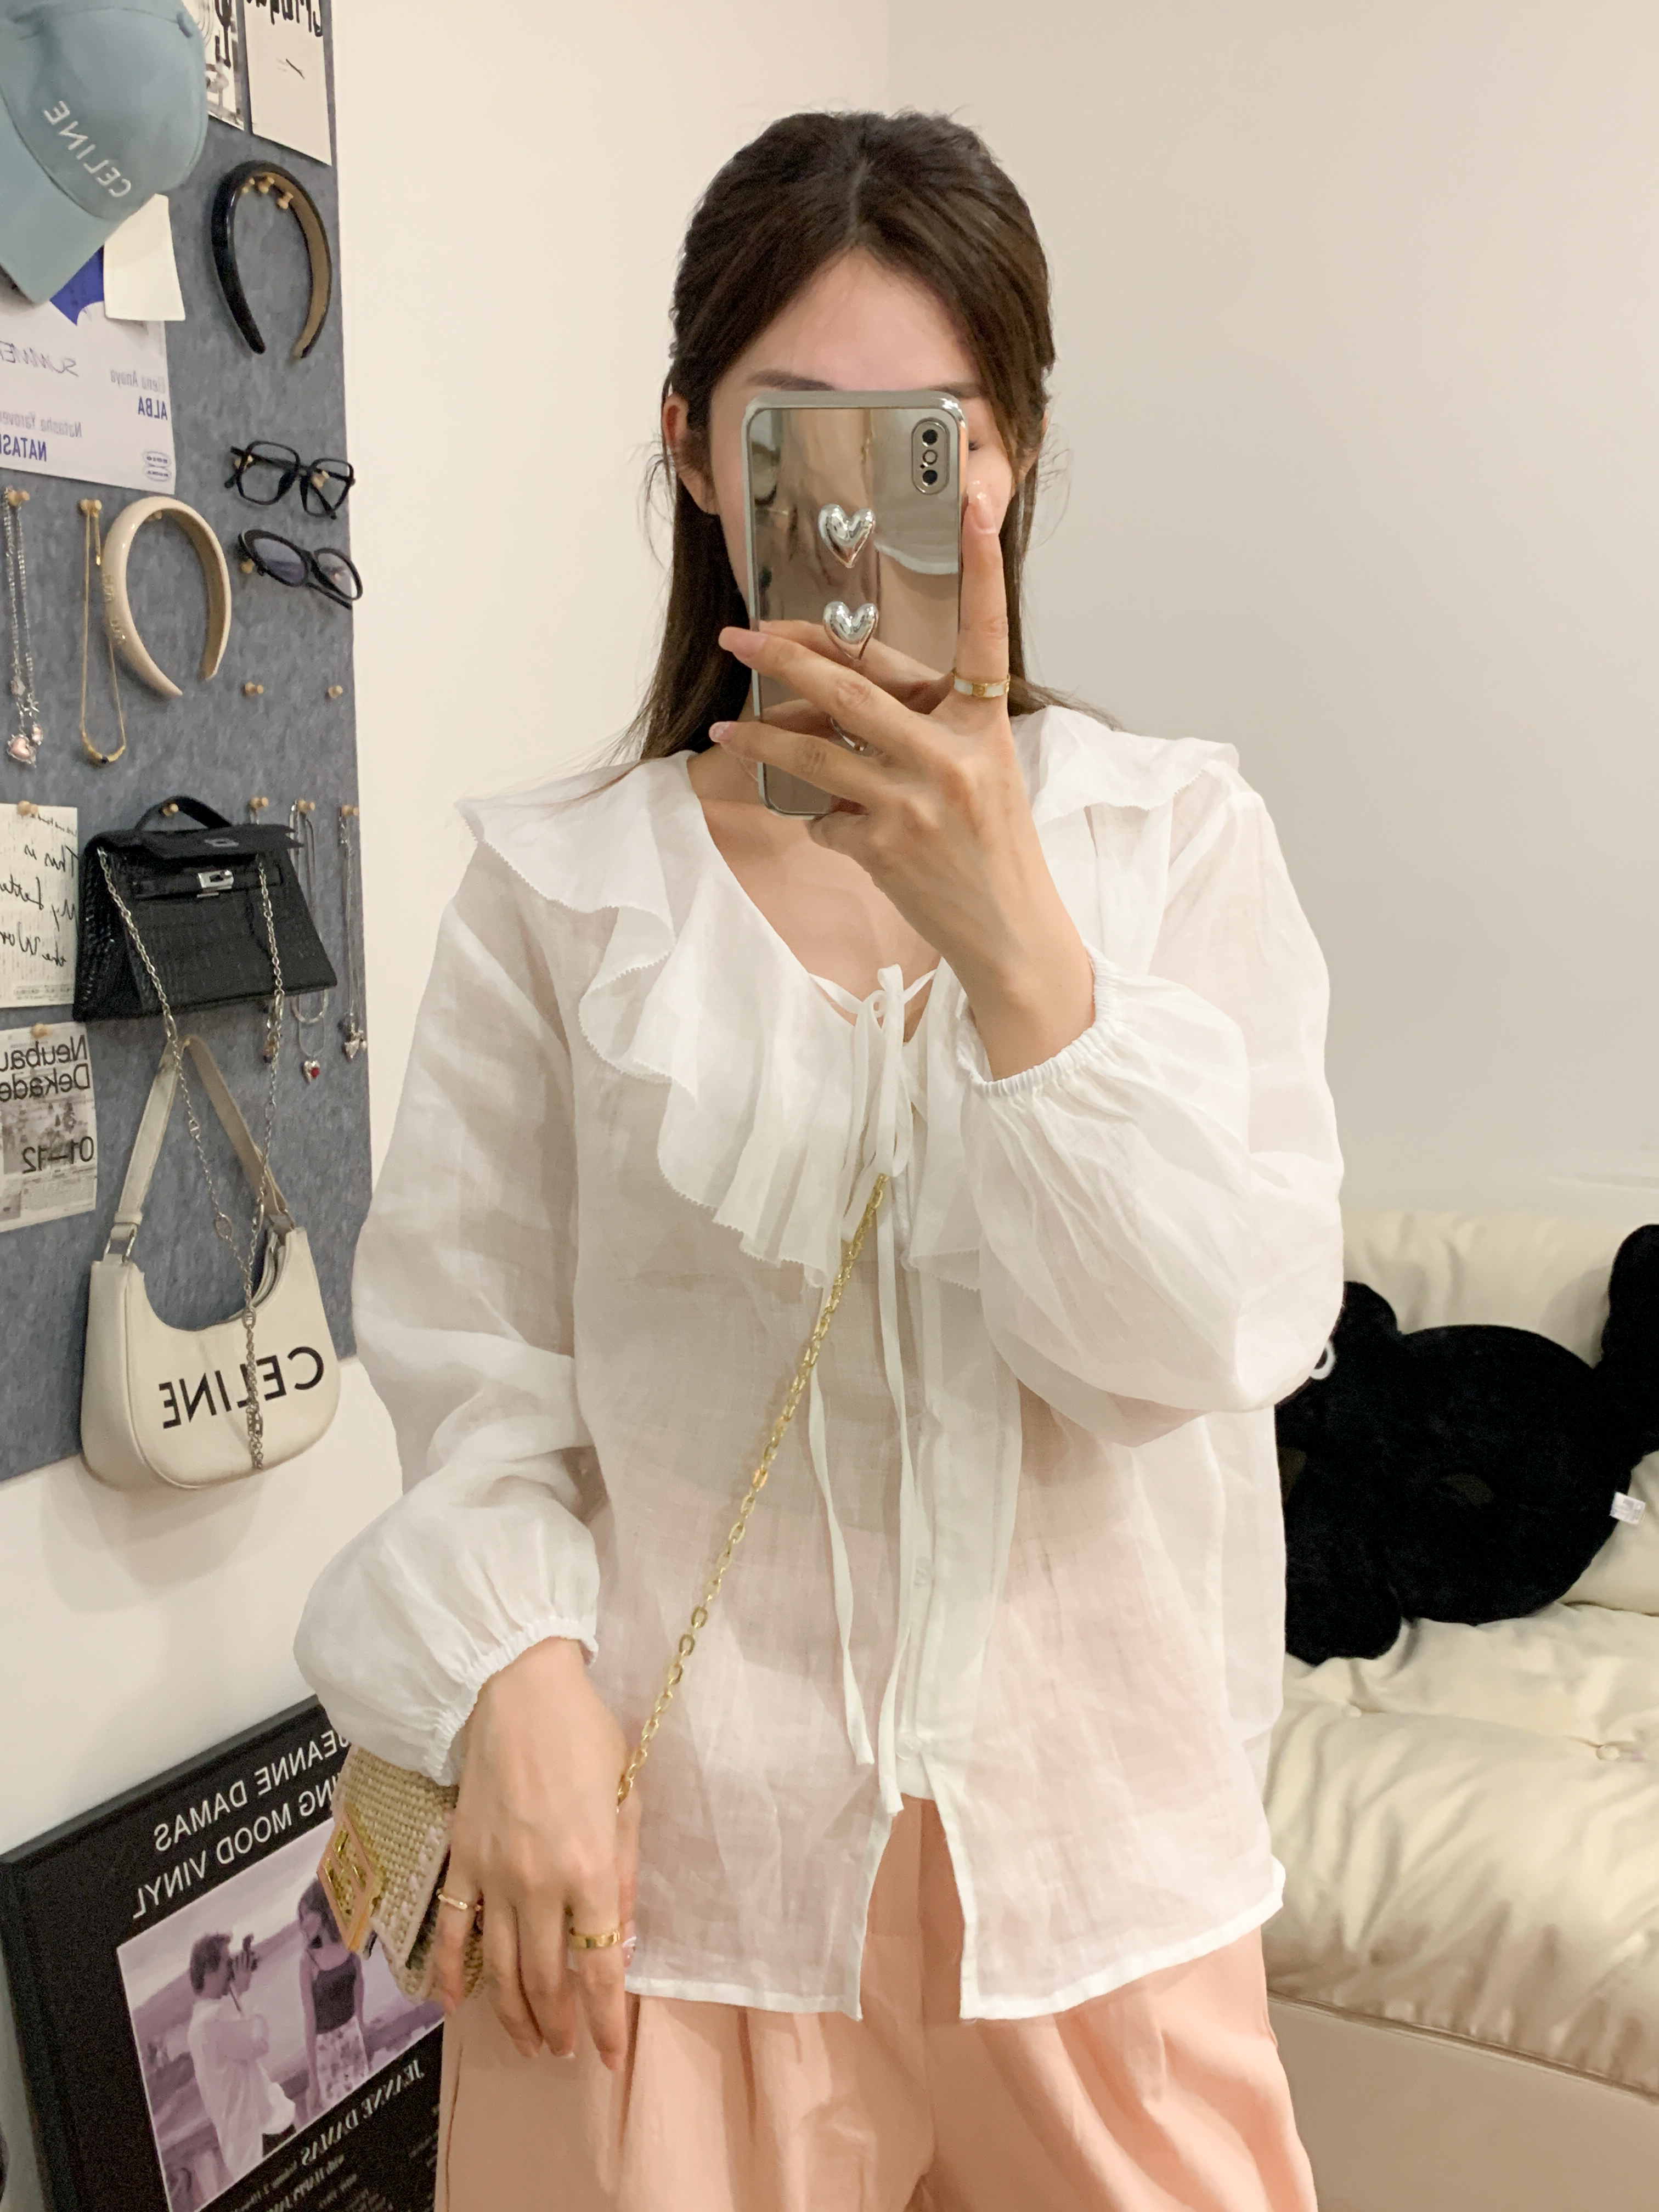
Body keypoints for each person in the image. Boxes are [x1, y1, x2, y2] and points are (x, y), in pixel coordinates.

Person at [296, 109, 1344, 2212]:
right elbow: (472, 1366)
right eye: (796, 430)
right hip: (669, 1894)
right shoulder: (562, 895)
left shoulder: (1165, 845)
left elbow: (1194, 1344)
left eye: (927, 437)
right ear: (693, 451)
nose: (863, 501)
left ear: (1008, 459)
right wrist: (509, 1668)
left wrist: (1011, 938)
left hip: (1094, 1890)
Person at [184, 1933, 295, 2182]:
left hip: (245, 2147)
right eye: (228, 1962)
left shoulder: (198, 2026)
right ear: (209, 1971)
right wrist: (244, 1992)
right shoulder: (213, 2019)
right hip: (262, 2138)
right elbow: (260, 2043)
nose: (233, 1968)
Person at [295, 1880, 370, 2117]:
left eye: (307, 1914)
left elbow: (359, 1983)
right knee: (341, 2114)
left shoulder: (349, 1942)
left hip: (352, 2037)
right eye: (301, 1917)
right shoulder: (308, 1961)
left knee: (365, 2104)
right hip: (326, 2049)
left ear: (323, 1910)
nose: (303, 1923)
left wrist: (361, 2023)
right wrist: (313, 2079)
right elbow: (310, 2020)